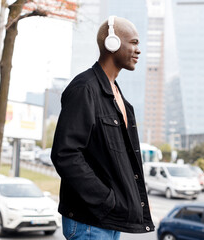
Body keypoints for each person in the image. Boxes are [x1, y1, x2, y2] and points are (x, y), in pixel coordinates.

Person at [51, 16, 154, 240]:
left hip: (108, 221)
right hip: (89, 222)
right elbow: (65, 154)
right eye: (134, 42)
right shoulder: (84, 89)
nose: (138, 50)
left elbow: (119, 162)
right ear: (112, 43)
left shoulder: (120, 99)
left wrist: (130, 202)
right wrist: (106, 200)